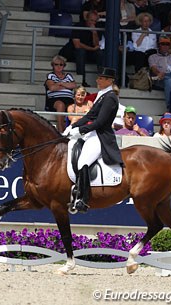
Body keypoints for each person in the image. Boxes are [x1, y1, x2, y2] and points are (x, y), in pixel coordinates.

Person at [63, 67, 123, 213]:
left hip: (101, 136)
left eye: (101, 78)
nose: (97, 80)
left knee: (84, 161)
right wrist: (73, 126)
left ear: (109, 81)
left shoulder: (110, 97)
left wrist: (80, 130)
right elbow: (90, 116)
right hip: (92, 134)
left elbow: (100, 122)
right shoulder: (101, 95)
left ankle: (83, 199)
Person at [59, 10, 104, 87]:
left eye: (95, 21)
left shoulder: (96, 28)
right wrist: (91, 49)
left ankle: (102, 80)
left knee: (100, 53)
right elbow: (77, 45)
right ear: (86, 18)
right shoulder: (78, 26)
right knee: (81, 52)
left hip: (88, 53)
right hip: (74, 52)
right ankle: (82, 81)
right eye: (91, 20)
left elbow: (96, 44)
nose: (93, 23)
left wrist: (94, 33)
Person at [45, 55, 76, 132]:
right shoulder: (51, 76)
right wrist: (66, 85)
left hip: (69, 100)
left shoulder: (68, 76)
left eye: (61, 64)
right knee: (60, 105)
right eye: (56, 64)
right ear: (53, 65)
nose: (59, 66)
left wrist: (59, 83)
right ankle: (60, 131)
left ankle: (70, 131)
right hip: (54, 100)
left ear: (64, 66)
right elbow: (52, 88)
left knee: (73, 107)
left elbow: (74, 85)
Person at [148, 35, 171, 110]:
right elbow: (154, 69)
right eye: (163, 44)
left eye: (167, 44)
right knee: (169, 80)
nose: (165, 46)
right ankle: (170, 107)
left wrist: (164, 74)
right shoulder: (153, 57)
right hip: (160, 79)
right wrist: (160, 73)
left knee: (170, 79)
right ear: (159, 45)